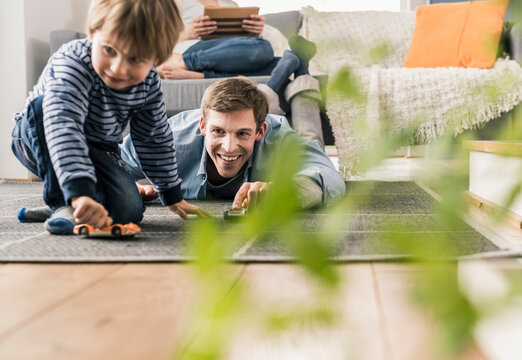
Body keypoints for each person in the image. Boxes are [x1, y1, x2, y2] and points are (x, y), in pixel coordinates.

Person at [11, 0, 209, 235]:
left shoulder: (148, 82)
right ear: (93, 33)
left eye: (135, 59)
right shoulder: (73, 64)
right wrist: (80, 192)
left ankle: (74, 209)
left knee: (128, 211)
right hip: (39, 135)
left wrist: (172, 194)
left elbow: (153, 136)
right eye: (109, 50)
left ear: (156, 59)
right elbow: (63, 127)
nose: (117, 68)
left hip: (98, 145)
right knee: (45, 109)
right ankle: (63, 203)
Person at [120, 77, 346, 209]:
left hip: (293, 141)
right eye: (218, 131)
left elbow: (330, 177)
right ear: (202, 126)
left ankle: (304, 85)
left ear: (260, 131)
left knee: (311, 135)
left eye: (243, 134)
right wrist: (122, 186)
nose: (229, 147)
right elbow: (107, 163)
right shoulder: (168, 138)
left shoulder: (279, 138)